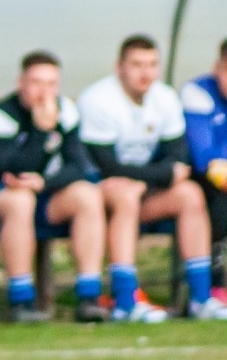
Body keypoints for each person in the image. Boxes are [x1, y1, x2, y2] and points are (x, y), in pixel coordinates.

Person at [78, 34, 227, 321]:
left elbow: (180, 158)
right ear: (118, 67)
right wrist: (162, 174)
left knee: (189, 194)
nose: (145, 73)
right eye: (136, 64)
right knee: (126, 194)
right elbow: (107, 167)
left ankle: (200, 298)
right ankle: (125, 301)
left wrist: (157, 176)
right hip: (98, 194)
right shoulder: (98, 100)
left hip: (144, 190)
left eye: (152, 64)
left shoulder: (164, 98)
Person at [0, 50, 107, 323]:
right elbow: (11, 170)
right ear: (20, 82)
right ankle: (22, 301)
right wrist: (40, 130)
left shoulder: (66, 111)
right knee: (19, 199)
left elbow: (80, 167)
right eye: (36, 82)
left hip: (35, 193)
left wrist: (46, 182)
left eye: (51, 84)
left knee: (87, 194)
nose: (43, 92)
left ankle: (89, 297)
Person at [179, 37, 227, 293]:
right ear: (217, 68)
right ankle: (214, 283)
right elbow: (204, 158)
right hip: (204, 179)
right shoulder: (196, 93)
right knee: (216, 197)